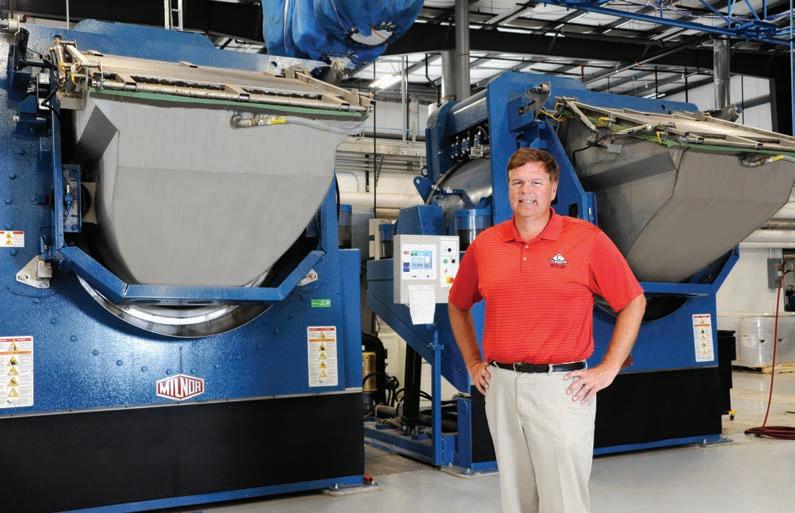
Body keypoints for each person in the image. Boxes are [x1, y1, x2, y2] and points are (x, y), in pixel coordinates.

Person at [448, 148, 646, 513]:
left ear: (553, 189)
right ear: (508, 188)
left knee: (563, 500)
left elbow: (633, 300)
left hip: (562, 388)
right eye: (517, 182)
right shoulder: (485, 246)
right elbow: (458, 304)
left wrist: (608, 368)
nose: (526, 191)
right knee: (516, 498)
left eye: (536, 182)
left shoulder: (586, 240)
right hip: (502, 387)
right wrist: (473, 362)